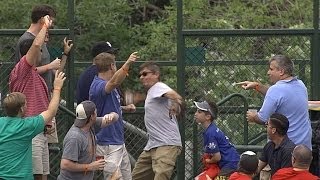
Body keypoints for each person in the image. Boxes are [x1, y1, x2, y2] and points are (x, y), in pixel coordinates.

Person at [9, 15, 70, 180]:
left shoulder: (35, 74)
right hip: (30, 131)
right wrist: (45, 25)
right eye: (40, 51)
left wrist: (47, 123)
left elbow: (55, 71)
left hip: (40, 129)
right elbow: (36, 44)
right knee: (35, 175)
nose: (42, 53)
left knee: (43, 175)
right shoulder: (22, 70)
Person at [0, 71, 66, 179]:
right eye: (26, 103)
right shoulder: (27, 126)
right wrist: (57, 88)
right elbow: (51, 111)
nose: (27, 105)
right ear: (21, 108)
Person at [237, 55, 312, 150]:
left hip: (285, 149)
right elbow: (279, 96)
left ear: (281, 71)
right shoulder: (300, 85)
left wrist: (253, 116)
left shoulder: (276, 90)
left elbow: (262, 118)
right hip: (304, 148)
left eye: (271, 69)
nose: (268, 72)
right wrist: (257, 86)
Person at [89, 52, 139, 179]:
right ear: (112, 66)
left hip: (117, 140)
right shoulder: (99, 85)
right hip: (108, 141)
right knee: (113, 177)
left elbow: (106, 106)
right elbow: (114, 82)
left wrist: (123, 108)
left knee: (126, 177)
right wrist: (127, 64)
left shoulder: (104, 86)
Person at [131, 61, 183, 180]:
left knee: (161, 177)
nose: (141, 77)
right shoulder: (152, 91)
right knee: (136, 177)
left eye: (145, 74)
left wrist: (175, 103)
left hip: (166, 144)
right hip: (153, 145)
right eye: (140, 75)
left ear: (156, 74)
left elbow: (174, 96)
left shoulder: (158, 87)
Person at [57, 100, 119, 180]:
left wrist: (111, 116)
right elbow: (65, 164)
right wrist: (89, 167)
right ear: (92, 116)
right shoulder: (75, 137)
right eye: (96, 111)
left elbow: (116, 117)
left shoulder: (90, 123)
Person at [193, 100, 240, 180]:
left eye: (199, 112)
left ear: (208, 117)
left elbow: (217, 157)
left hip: (230, 164)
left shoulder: (210, 133)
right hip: (230, 162)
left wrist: (208, 161)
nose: (195, 114)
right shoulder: (211, 129)